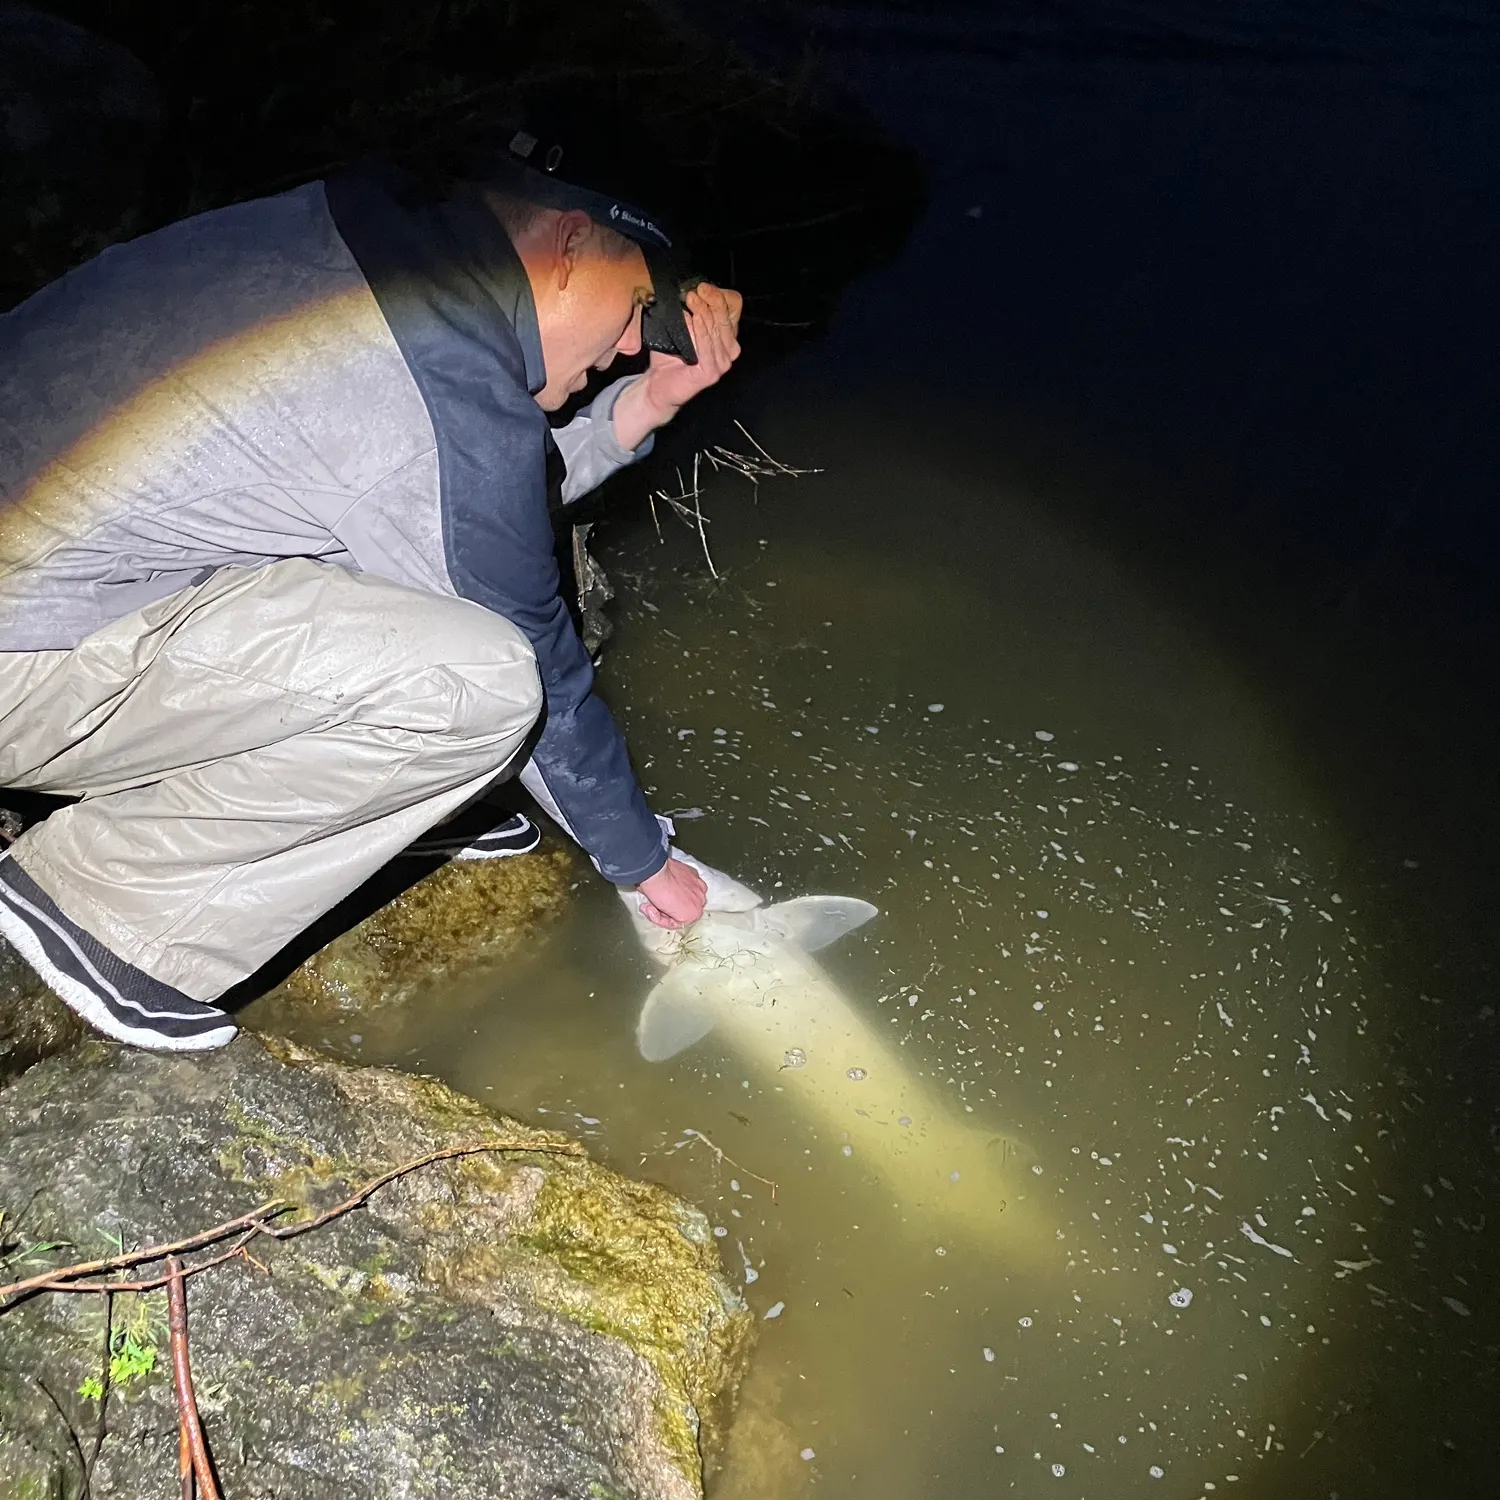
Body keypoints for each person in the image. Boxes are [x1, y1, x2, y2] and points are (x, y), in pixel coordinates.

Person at [0, 127, 743, 1051]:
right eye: (638, 306)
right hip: (21, 668)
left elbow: (439, 493)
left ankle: (384, 803)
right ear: (566, 248)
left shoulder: (366, 233)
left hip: (54, 582)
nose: (635, 345)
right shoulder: (440, 368)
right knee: (487, 686)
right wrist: (646, 866)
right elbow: (523, 628)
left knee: (417, 584)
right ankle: (105, 910)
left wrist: (644, 407)